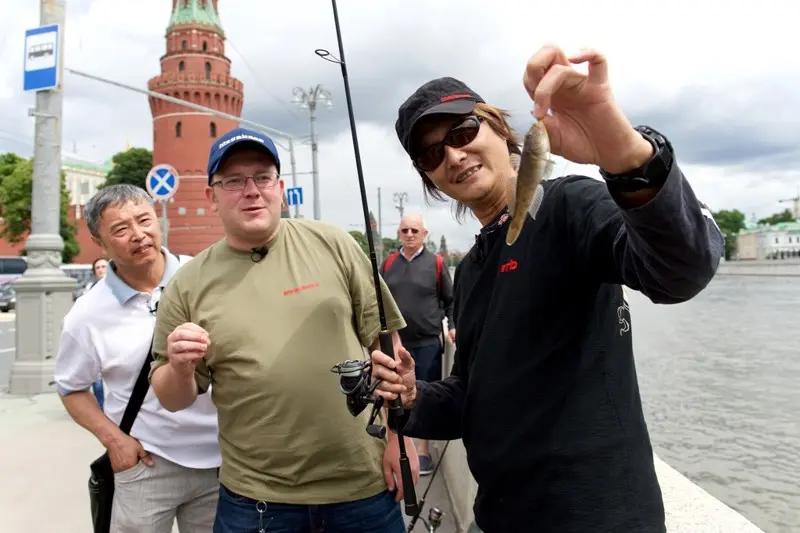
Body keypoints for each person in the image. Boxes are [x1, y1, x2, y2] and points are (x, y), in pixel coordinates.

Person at [370, 45, 724, 533]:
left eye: (463, 130)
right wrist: (413, 397)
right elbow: (472, 396)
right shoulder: (471, 269)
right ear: (429, 177)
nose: (453, 153)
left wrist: (619, 148)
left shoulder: (569, 206)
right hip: (499, 516)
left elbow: (681, 270)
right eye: (432, 153)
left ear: (500, 128)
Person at [148, 127, 420, 533]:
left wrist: (401, 438)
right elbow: (173, 398)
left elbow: (387, 348)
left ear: (280, 187)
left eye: (262, 177)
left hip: (362, 488)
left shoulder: (335, 244)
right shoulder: (187, 285)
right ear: (211, 197)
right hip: (255, 502)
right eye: (234, 181)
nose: (251, 191)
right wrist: (180, 367)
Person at [53, 184, 221, 533]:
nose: (138, 234)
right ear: (100, 243)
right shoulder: (87, 314)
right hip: (146, 463)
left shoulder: (206, 278)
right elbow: (71, 388)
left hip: (222, 461)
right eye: (120, 229)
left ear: (157, 218)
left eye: (144, 220)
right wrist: (115, 441)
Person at [381, 213, 455, 475]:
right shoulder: (388, 263)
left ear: (425, 234)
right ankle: (401, 444)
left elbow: (450, 300)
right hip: (396, 343)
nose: (409, 234)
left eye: (415, 230)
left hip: (427, 342)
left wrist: (453, 326)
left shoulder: (436, 263)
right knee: (393, 393)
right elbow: (376, 299)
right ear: (398, 234)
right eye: (404, 230)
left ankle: (423, 451)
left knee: (424, 393)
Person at [86, 256, 109, 409]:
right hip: (97, 337)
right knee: (98, 381)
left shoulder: (118, 287)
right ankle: (102, 410)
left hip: (112, 337)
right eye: (98, 267)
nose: (101, 270)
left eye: (103, 266)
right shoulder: (90, 289)